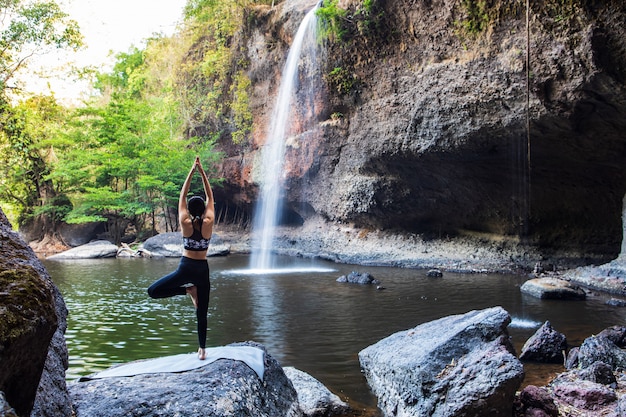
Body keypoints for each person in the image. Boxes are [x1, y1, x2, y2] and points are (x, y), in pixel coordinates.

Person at [147, 156, 215, 360]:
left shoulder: (184, 221)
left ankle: (186, 290)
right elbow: (210, 197)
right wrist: (202, 171)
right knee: (201, 312)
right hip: (202, 269)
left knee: (153, 291)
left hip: (185, 268)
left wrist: (191, 172)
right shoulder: (209, 221)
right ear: (204, 209)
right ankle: (202, 350)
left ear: (189, 210)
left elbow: (182, 196)